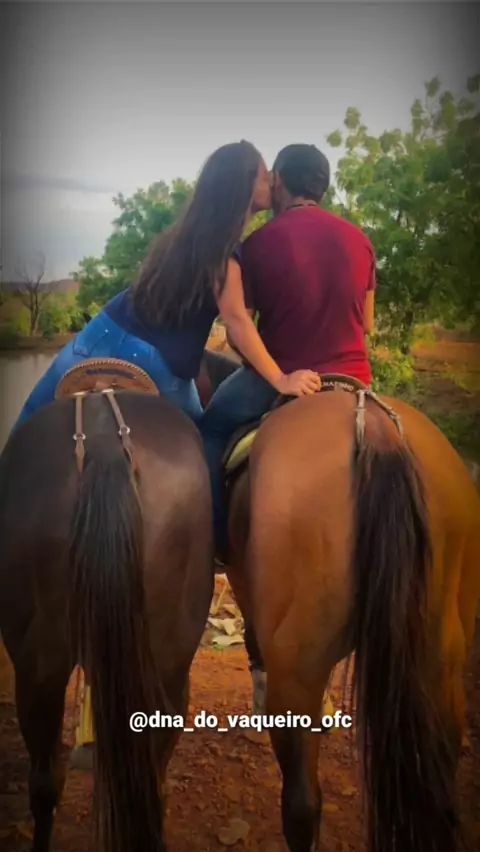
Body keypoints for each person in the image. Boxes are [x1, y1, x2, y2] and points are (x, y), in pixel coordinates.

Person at [12, 141, 319, 432]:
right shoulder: (225, 252)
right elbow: (237, 321)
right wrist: (281, 379)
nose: (274, 181)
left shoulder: (188, 234)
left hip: (105, 332)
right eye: (265, 176)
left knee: (30, 423)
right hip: (158, 360)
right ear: (244, 186)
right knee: (201, 439)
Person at [199, 143, 376, 558]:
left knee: (210, 430)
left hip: (281, 377)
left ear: (279, 183)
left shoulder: (256, 245)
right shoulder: (360, 240)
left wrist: (278, 372)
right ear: (323, 187)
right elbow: (367, 323)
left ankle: (216, 542)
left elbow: (240, 329)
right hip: (355, 381)